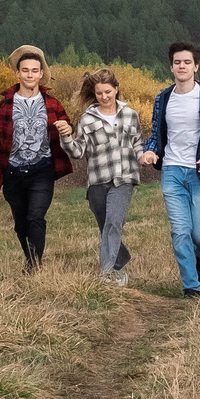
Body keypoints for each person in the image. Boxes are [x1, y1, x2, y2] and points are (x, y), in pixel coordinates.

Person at [139, 40, 200, 298]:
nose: (182, 66)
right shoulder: (163, 98)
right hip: (172, 171)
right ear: (171, 67)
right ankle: (191, 286)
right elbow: (156, 134)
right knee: (180, 231)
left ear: (196, 67)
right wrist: (150, 150)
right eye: (177, 62)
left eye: (187, 62)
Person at [0, 45, 75, 273]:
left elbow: (68, 128)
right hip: (12, 171)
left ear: (41, 73)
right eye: (25, 70)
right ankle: (30, 259)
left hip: (42, 169)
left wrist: (67, 128)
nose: (30, 75)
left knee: (36, 217)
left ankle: (35, 266)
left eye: (34, 70)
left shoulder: (53, 104)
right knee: (21, 223)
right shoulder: (3, 106)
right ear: (17, 73)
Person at [64, 69, 143, 286]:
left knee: (114, 222)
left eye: (108, 92)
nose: (104, 97)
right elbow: (78, 151)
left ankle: (108, 273)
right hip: (97, 180)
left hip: (124, 177)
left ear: (116, 89)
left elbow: (137, 142)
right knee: (105, 225)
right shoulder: (87, 119)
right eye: (99, 93)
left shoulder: (130, 114)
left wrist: (143, 156)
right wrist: (65, 137)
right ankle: (121, 258)